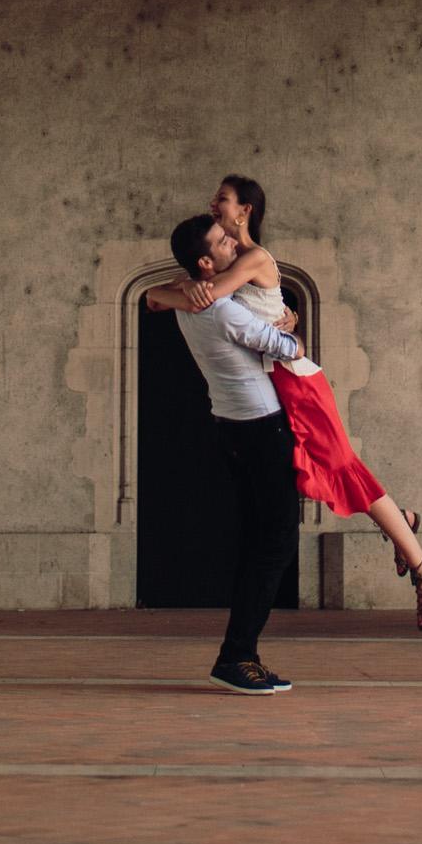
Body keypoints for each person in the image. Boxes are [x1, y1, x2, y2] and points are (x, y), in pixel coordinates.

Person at [147, 176, 422, 631]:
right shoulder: (227, 264)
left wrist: (179, 292)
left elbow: (207, 296)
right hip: (273, 385)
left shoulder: (253, 258)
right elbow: (159, 296)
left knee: (343, 466)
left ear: (244, 211)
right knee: (320, 472)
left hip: (296, 381)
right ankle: (400, 523)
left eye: (222, 200)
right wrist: (172, 293)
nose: (213, 203)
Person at [163, 213, 309, 694]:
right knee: (277, 543)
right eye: (224, 242)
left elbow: (160, 296)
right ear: (207, 263)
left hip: (232, 429)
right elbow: (283, 347)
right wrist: (289, 325)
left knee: (259, 542)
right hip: (262, 429)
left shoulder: (190, 302)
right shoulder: (221, 310)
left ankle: (240, 653)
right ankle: (236, 656)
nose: (234, 244)